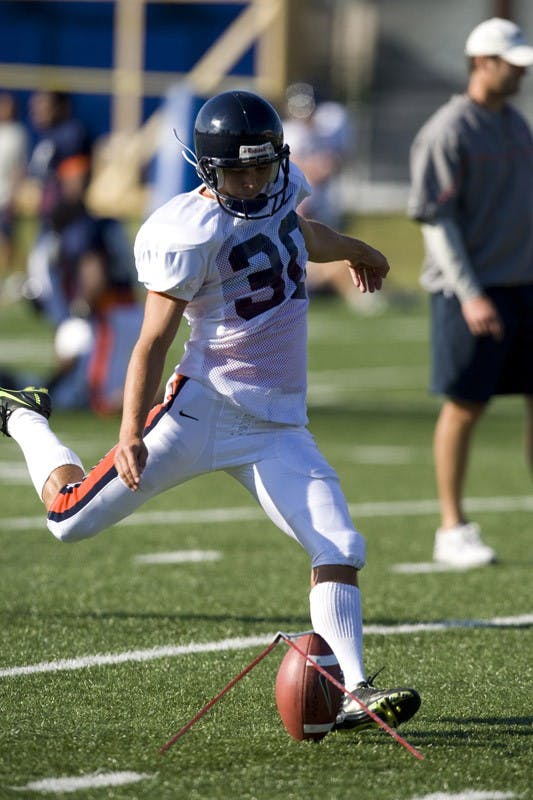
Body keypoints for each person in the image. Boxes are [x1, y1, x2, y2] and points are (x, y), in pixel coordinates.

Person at [0, 90, 420, 733]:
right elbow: (151, 341)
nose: (251, 183)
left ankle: (357, 688)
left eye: (260, 168)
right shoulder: (185, 230)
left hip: (278, 425)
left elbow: (298, 234)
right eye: (237, 172)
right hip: (201, 413)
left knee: (338, 543)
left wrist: (357, 248)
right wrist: (129, 432)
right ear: (208, 169)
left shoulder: (280, 187)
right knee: (67, 523)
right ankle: (23, 417)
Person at [408, 18, 533, 568]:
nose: (521, 74)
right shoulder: (448, 130)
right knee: (465, 405)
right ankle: (451, 527)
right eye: (513, 64)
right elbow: (436, 221)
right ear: (482, 62)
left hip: (523, 284)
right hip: (473, 293)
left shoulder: (515, 124)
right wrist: (471, 293)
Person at [0, 92, 28, 282]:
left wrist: (14, 195)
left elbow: (19, 168)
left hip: (5, 194)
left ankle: (10, 272)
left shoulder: (17, 133)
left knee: (6, 236)